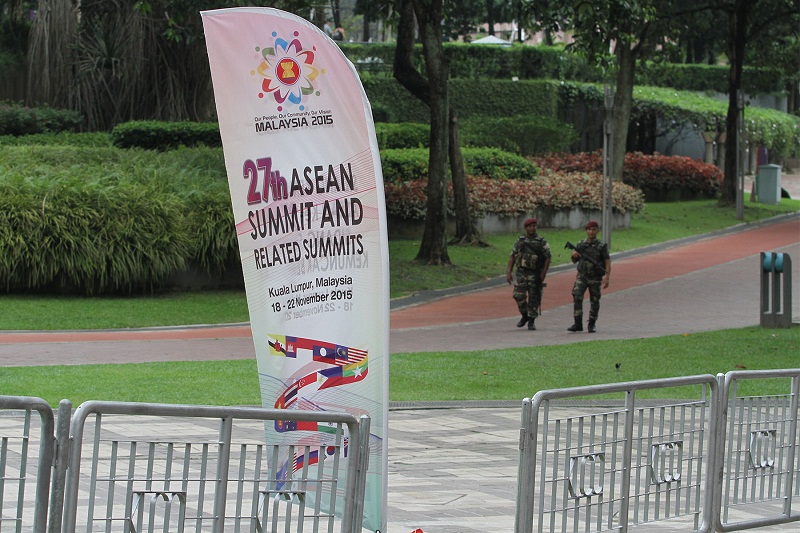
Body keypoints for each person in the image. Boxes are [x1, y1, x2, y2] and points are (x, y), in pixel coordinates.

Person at [506, 218, 551, 330]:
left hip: (535, 274)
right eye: (530, 226)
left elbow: (547, 258)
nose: (532, 228)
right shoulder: (520, 241)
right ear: (526, 228)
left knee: (534, 298)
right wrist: (509, 272)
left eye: (534, 226)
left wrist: (543, 274)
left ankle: (531, 320)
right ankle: (525, 315)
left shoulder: (541, 242)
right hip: (521, 273)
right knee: (518, 295)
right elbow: (512, 255)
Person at [567, 220, 611, 333]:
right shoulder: (581, 244)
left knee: (595, 300)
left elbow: (607, 260)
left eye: (594, 229)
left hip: (595, 277)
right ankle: (577, 323)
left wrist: (607, 276)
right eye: (589, 229)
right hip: (582, 276)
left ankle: (591, 324)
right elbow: (574, 260)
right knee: (577, 296)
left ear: (597, 231)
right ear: (586, 231)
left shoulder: (601, 246)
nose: (591, 232)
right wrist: (573, 255)